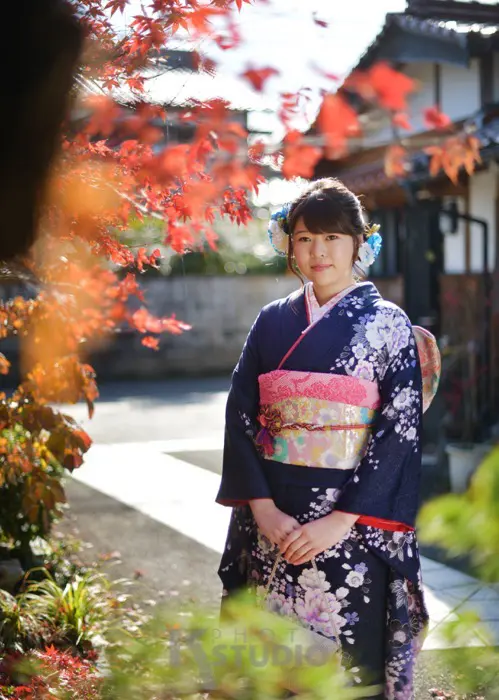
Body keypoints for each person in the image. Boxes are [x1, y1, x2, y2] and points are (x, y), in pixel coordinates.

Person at [215, 178, 440, 699]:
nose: (318, 251)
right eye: (305, 238)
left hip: (352, 525)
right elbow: (240, 413)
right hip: (275, 521)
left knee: (348, 668)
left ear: (359, 243)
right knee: (274, 668)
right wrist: (263, 510)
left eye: (333, 237)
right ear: (288, 244)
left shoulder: (388, 324)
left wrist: (340, 520)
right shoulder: (271, 321)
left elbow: (399, 428)